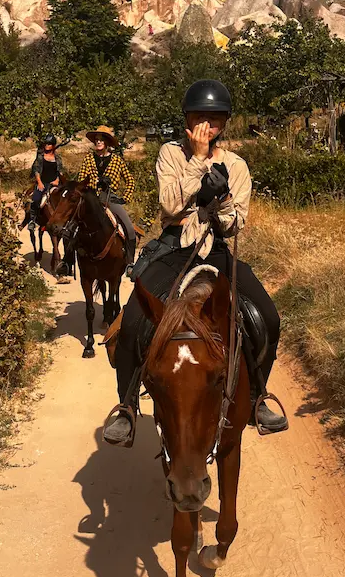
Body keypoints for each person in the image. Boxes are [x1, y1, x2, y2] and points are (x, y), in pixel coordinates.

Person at [103, 79, 287, 446]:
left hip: (215, 246)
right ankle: (126, 405)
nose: (207, 126)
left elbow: (236, 224)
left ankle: (257, 396)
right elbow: (170, 206)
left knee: (266, 316)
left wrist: (219, 200)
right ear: (187, 119)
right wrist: (198, 166)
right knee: (135, 317)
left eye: (214, 119)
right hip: (173, 245)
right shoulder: (170, 154)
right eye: (200, 117)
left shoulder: (236, 164)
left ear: (225, 123)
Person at [77, 126, 137, 268]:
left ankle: (130, 262)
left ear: (107, 143)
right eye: (96, 140)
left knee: (129, 229)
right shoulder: (88, 159)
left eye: (101, 140)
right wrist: (93, 184)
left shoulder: (117, 160)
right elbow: (81, 180)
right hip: (92, 199)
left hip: (110, 198)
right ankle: (66, 262)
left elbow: (130, 180)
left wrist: (124, 198)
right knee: (71, 227)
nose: (98, 142)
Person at [29, 135, 64, 224]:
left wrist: (57, 180)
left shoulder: (58, 159)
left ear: (53, 146)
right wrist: (39, 183)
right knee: (36, 199)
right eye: (46, 143)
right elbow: (36, 170)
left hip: (54, 183)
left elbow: (60, 172)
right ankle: (32, 220)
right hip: (43, 182)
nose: (47, 145)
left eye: (49, 144)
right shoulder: (40, 157)